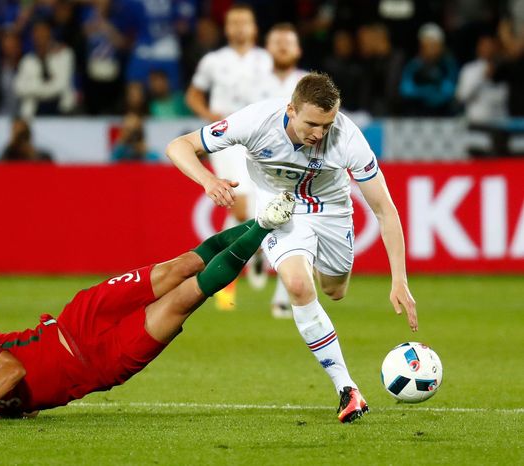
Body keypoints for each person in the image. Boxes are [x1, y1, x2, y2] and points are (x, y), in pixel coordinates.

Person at [0, 193, 297, 421]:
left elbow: (13, 371)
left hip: (79, 321)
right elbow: (29, 406)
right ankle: (267, 224)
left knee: (182, 266)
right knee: (187, 296)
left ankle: (268, 214)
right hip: (101, 366)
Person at [166, 72, 418, 423]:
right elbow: (178, 146)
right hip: (279, 207)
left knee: (334, 291)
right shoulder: (256, 121)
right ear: (291, 110)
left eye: (327, 125)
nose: (319, 133)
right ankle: (347, 388)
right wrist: (208, 180)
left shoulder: (348, 139)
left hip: (331, 210)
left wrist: (400, 280)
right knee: (298, 285)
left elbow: (384, 210)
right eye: (312, 124)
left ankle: (307, 257)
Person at [185, 3, 272, 309]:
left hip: (260, 138)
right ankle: (257, 250)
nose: (238, 28)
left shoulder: (268, 59)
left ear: (254, 28)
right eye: (233, 22)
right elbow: (193, 95)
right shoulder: (213, 61)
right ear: (227, 28)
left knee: (247, 206)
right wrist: (210, 116)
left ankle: (225, 280)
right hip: (226, 139)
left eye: (244, 22)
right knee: (240, 204)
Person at [256, 22, 308, 318]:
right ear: (268, 48)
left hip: (295, 166)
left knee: (294, 225)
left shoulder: (308, 82)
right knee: (257, 221)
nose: (283, 47)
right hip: (257, 163)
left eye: (289, 42)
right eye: (277, 42)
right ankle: (258, 252)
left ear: (298, 49)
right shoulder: (252, 81)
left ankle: (281, 297)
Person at [13, 19, 77, 118]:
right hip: (34, 113)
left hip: (61, 112)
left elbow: (61, 86)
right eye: (36, 31)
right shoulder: (27, 60)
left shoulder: (64, 54)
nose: (40, 35)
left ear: (50, 33)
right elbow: (19, 88)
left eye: (43, 31)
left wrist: (33, 87)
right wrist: (46, 85)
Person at [399, 23, 458, 116]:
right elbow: (406, 89)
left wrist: (436, 96)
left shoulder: (448, 65)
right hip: (417, 114)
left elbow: (449, 90)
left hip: (443, 114)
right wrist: (425, 92)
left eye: (434, 45)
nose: (431, 49)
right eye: (428, 45)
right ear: (421, 46)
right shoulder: (413, 65)